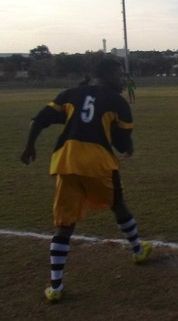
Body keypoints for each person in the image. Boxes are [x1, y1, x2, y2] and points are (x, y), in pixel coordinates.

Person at [20, 58, 153, 303]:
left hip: (66, 160)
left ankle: (56, 287)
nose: (123, 79)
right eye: (120, 74)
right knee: (118, 204)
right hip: (97, 161)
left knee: (65, 223)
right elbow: (121, 141)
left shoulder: (70, 94)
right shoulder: (117, 101)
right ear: (107, 75)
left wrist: (29, 147)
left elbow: (38, 119)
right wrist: (129, 146)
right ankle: (138, 251)